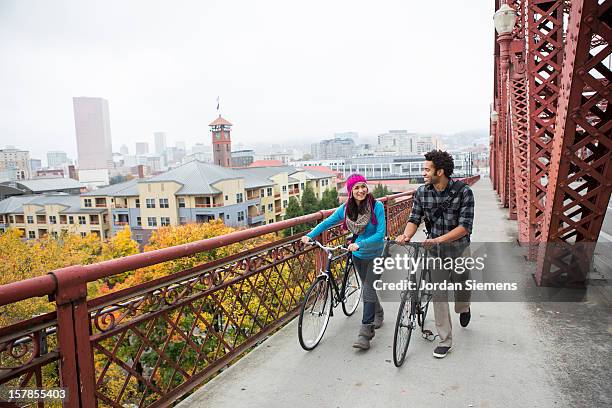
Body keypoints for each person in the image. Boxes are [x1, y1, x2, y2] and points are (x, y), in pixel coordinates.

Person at [396, 150, 475, 359]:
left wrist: (438, 239)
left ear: (440, 171)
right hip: (435, 251)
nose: (423, 172)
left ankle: (464, 307)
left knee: (462, 286)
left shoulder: (464, 192)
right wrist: (405, 235)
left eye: (426, 169)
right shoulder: (422, 192)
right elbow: (415, 218)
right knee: (438, 293)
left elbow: (465, 227)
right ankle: (445, 340)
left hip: (459, 248)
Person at [301, 174, 386, 350]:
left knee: (369, 288)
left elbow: (380, 234)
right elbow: (327, 222)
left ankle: (365, 332)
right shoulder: (347, 209)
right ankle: (378, 312)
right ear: (351, 191)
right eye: (356, 188)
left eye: (363, 186)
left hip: (376, 253)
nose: (361, 190)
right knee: (366, 285)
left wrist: (360, 243)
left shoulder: (376, 206)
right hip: (358, 255)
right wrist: (310, 235)